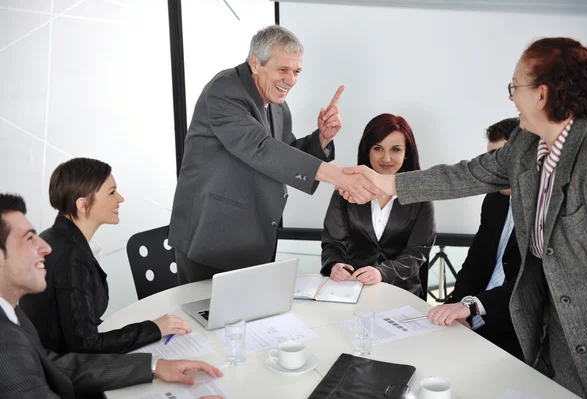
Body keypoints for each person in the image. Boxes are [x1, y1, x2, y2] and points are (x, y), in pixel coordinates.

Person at [343, 37, 587, 398]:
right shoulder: (525, 147)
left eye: (516, 87)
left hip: (586, 330)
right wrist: (386, 181)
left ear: (542, 95)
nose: (511, 97)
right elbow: (464, 175)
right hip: (536, 321)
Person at [168, 25, 382, 284]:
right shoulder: (223, 91)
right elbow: (261, 148)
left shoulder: (279, 108)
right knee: (203, 322)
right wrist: (340, 177)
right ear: (255, 63)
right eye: (283, 70)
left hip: (255, 241)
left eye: (297, 71)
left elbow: (284, 156)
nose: (291, 80)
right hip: (209, 240)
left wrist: (322, 138)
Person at [0, 193, 223, 399]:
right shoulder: (6, 345)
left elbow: (55, 366)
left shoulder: (11, 312)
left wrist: (153, 366)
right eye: (29, 239)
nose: (45, 247)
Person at [20, 158, 191, 355]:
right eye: (111, 192)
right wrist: (155, 328)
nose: (120, 198)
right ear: (83, 204)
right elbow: (86, 345)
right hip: (65, 372)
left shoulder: (53, 238)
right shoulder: (72, 256)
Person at [428, 117, 524, 360]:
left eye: (503, 158)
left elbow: (528, 285)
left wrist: (471, 307)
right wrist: (459, 307)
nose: (496, 169)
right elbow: (476, 261)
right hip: (475, 315)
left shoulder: (545, 209)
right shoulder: (495, 199)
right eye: (491, 159)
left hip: (516, 326)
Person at [321, 113, 435, 298]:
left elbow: (417, 252)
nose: (387, 158)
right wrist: (334, 265)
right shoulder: (345, 191)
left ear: (407, 153)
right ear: (368, 150)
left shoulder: (420, 196)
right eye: (378, 148)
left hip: (403, 294)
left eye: (396, 149)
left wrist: (382, 273)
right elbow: (333, 242)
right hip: (352, 290)